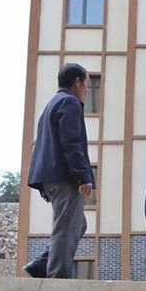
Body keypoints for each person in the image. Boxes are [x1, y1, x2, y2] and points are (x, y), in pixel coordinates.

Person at [24, 63, 95, 279]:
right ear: (77, 82)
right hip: (65, 177)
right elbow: (71, 142)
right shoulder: (70, 102)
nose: (87, 90)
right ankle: (57, 279)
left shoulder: (52, 103)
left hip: (51, 176)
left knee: (77, 224)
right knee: (66, 228)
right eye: (86, 85)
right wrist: (82, 176)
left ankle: (40, 265)